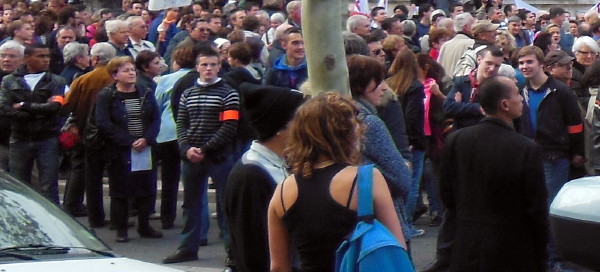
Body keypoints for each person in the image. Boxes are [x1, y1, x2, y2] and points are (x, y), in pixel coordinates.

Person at [268, 92, 406, 271]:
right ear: (348, 134)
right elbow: (397, 247)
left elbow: (278, 267)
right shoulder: (367, 179)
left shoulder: (282, 191)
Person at [440, 76, 548, 272]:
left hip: (466, 243)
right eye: (517, 94)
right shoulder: (525, 148)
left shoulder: (456, 140)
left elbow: (447, 194)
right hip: (511, 247)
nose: (522, 99)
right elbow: (536, 207)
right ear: (504, 104)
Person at [163, 47, 239, 264]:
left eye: (213, 65)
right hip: (191, 156)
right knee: (191, 204)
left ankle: (232, 251)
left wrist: (205, 149)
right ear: (197, 68)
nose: (208, 69)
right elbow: (182, 123)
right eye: (204, 65)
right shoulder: (188, 93)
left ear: (219, 67)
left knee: (226, 204)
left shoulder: (229, 93)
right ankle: (188, 247)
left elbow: (229, 127)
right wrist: (186, 148)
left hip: (219, 157)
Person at [225, 83, 304, 272]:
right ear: (279, 127)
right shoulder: (251, 175)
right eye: (299, 119)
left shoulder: (282, 163)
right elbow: (253, 251)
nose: (305, 127)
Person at [518, 45, 584, 272]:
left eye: (529, 62)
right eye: (521, 63)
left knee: (551, 209)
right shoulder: (521, 90)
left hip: (554, 156)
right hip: (529, 155)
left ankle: (554, 258)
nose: (524, 67)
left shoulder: (560, 91)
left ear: (541, 65)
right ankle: (539, 254)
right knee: (533, 207)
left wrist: (577, 152)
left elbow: (575, 126)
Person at [95, 56, 162, 242]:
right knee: (120, 191)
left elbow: (156, 118)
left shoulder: (145, 91)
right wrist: (128, 141)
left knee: (146, 188)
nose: (131, 73)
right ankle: (121, 229)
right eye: (126, 70)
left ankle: (144, 225)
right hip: (120, 150)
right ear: (115, 75)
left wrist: (146, 139)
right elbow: (103, 122)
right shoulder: (107, 95)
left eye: (132, 70)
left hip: (145, 148)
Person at [347, 54, 412, 247]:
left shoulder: (344, 117)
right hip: (381, 222)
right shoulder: (368, 122)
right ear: (361, 85)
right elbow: (402, 178)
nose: (384, 87)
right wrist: (403, 166)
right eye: (378, 81)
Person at [0, 43, 66, 204]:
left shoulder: (56, 81)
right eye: (40, 56)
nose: (46, 60)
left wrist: (24, 106)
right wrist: (36, 114)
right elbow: (3, 108)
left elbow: (55, 107)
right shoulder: (9, 81)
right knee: (19, 186)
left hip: (47, 138)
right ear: (27, 58)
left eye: (47, 56)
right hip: (19, 138)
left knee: (49, 186)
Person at [62, 42, 117, 228]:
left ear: (95, 59)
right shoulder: (116, 78)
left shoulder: (84, 79)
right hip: (111, 134)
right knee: (110, 174)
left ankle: (77, 206)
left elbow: (67, 104)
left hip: (85, 131)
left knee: (83, 170)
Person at [387, 49, 426, 238]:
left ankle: (398, 222)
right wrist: (412, 140)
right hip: (412, 141)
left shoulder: (389, 85)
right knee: (412, 184)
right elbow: (412, 116)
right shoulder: (415, 86)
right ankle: (406, 224)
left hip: (394, 138)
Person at [0, 41, 23, 170]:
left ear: (22, 59)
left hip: (23, 137)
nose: (6, 59)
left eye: (12, 56)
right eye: (3, 56)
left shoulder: (28, 78)